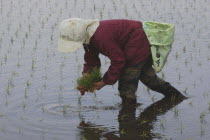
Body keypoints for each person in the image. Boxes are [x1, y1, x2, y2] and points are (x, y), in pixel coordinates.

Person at [57, 18, 186, 104]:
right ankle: (177, 97)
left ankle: (127, 115)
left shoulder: (101, 37)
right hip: (134, 44)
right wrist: (86, 76)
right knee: (148, 78)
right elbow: (91, 60)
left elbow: (118, 61)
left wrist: (105, 81)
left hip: (137, 42)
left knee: (126, 82)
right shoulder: (88, 38)